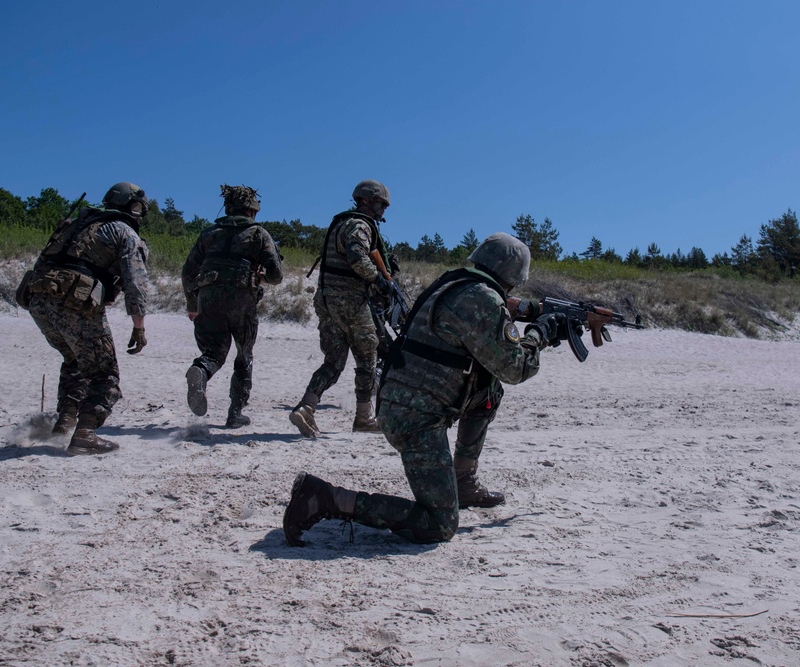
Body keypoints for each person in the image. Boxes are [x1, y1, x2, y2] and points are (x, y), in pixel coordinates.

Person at [284, 233, 569, 545]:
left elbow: (500, 313)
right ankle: (326, 498)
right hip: (416, 419)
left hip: (401, 401)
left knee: (489, 390)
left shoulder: (455, 285)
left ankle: (462, 482)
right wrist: (539, 335)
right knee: (440, 524)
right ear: (514, 275)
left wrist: (533, 312)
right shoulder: (485, 300)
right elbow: (515, 368)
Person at [20, 182, 151, 456]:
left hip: (39, 301)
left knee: (75, 361)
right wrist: (139, 326)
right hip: (74, 303)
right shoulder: (124, 232)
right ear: (134, 206)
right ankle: (85, 434)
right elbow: (135, 283)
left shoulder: (76, 224)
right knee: (105, 374)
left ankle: (64, 422)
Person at [289, 180, 396, 437]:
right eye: (381, 204)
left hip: (327, 303)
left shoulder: (340, 222)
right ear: (367, 201)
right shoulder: (359, 225)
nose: (383, 211)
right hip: (350, 302)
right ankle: (364, 418)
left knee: (333, 363)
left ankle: (306, 407)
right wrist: (379, 280)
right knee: (368, 358)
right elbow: (358, 257)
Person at [181, 185, 283, 428]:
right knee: (243, 356)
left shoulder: (209, 233)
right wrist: (260, 278)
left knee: (214, 352)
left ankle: (201, 371)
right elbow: (276, 275)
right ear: (252, 211)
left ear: (227, 207)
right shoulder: (258, 234)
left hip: (208, 298)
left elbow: (188, 272)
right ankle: (235, 413)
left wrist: (192, 304)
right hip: (242, 301)